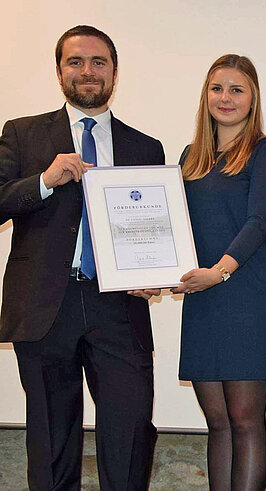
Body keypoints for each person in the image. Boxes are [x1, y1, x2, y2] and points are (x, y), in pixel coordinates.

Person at [0, 25, 164, 490]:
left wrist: (155, 273)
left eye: (98, 62)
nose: (87, 72)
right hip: (45, 309)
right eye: (76, 62)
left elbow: (155, 226)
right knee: (51, 442)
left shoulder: (144, 147)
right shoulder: (23, 133)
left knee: (129, 435)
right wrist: (45, 181)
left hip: (119, 307)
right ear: (59, 72)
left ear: (114, 72)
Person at [171, 54, 266, 490]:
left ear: (253, 98)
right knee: (217, 421)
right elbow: (176, 229)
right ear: (205, 95)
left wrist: (218, 273)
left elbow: (260, 222)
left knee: (244, 417)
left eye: (237, 90)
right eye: (217, 88)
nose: (226, 98)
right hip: (204, 296)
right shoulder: (190, 156)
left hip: (250, 295)